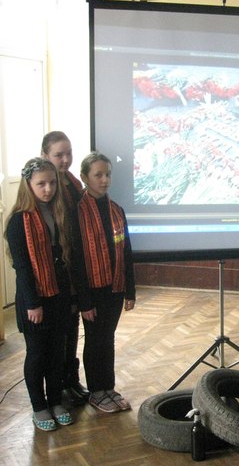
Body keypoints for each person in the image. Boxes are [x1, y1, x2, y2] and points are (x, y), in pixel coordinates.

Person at [4, 158, 74, 431]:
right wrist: (33, 303)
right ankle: (39, 406)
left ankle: (55, 401)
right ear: (28, 185)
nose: (48, 189)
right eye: (41, 184)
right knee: (37, 355)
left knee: (57, 353)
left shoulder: (58, 212)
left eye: (52, 183)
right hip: (33, 299)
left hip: (58, 295)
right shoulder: (18, 221)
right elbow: (22, 268)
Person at [71, 153, 136, 413]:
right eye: (98, 175)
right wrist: (84, 301)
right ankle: (96, 391)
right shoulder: (76, 212)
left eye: (107, 174)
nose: (104, 180)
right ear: (84, 177)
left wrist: (130, 290)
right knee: (95, 340)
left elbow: (126, 251)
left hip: (114, 287)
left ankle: (108, 387)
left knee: (107, 338)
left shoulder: (116, 210)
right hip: (92, 291)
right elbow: (76, 259)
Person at [40, 131, 89, 406]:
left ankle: (71, 379)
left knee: (72, 325)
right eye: (59, 155)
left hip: (73, 266)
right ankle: (56, 386)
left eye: (68, 153)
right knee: (57, 333)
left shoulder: (72, 182)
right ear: (45, 155)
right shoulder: (42, 186)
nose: (66, 159)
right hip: (52, 271)